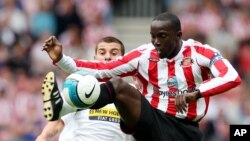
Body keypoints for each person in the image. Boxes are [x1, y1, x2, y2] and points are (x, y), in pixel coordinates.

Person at [42, 12, 241, 141]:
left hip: (183, 129)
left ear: (178, 36)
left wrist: (196, 93)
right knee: (117, 86)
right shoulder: (145, 55)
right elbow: (103, 68)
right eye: (153, 36)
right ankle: (63, 106)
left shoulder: (200, 53)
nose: (156, 42)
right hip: (151, 119)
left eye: (162, 36)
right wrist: (61, 59)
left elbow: (231, 77)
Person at [37, 36, 135, 141]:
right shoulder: (79, 85)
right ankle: (57, 104)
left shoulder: (132, 92)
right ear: (95, 58)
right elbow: (58, 123)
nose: (107, 57)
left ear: (123, 60)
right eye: (102, 53)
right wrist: (42, 137)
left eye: (114, 53)